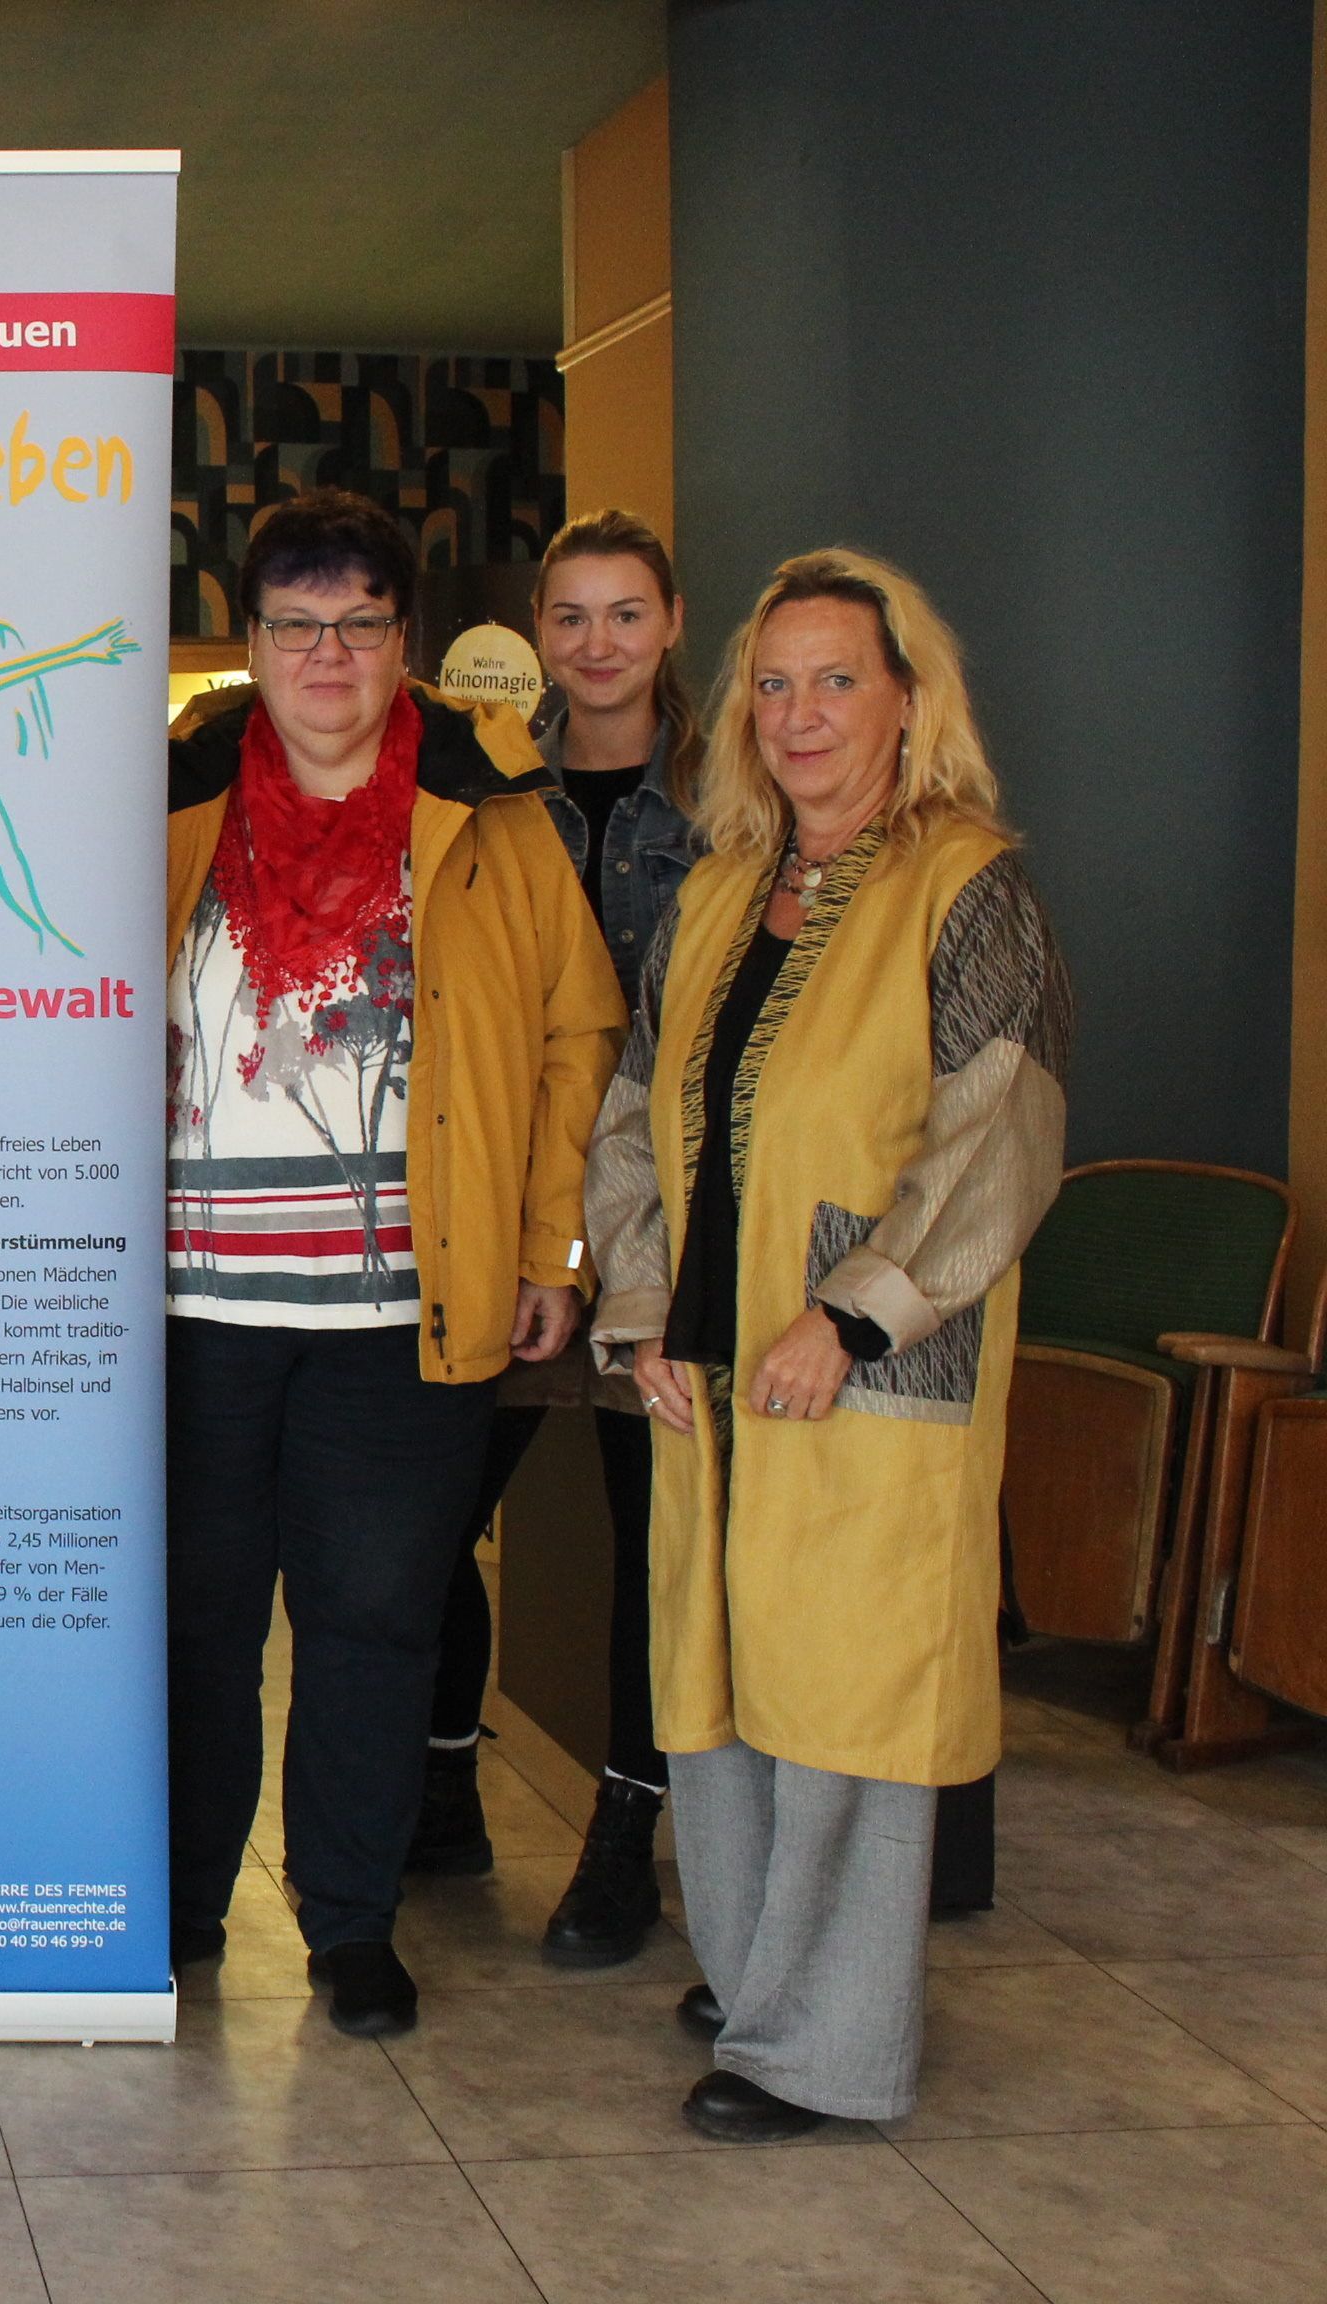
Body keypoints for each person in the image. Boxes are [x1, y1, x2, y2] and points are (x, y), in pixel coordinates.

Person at [585, 548, 1069, 2141]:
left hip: (870, 1369)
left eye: (836, 680)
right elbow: (633, 1119)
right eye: (773, 685)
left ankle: (828, 2054)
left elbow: (999, 1134)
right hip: (712, 1366)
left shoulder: (967, 885)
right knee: (723, 1690)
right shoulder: (720, 892)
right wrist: (645, 1312)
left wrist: (853, 1314)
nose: (799, 715)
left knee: (851, 1712)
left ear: (908, 701)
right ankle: (758, 1986)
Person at [162, 489, 625, 2038]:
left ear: (403, 639)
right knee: (197, 1626)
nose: (328, 654)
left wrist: (553, 1242)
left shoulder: (492, 821)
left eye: (360, 622)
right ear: (252, 640)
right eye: (296, 623)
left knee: (373, 1625)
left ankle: (350, 1919)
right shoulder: (173, 808)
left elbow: (577, 1035)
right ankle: (181, 1907)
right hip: (190, 1315)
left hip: (401, 1316)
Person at [408, 510, 701, 1973]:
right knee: (424, 1521)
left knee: (659, 1544)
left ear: (671, 624)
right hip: (504, 1201)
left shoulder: (731, 800)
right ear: (538, 629)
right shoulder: (481, 787)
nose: (598, 645)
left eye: (625, 614)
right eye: (571, 616)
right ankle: (445, 1782)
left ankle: (622, 1840)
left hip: (670, 1223)